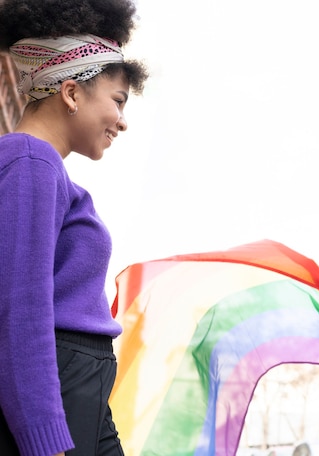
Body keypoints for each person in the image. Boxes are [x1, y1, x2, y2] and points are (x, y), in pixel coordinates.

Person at [0, 0, 148, 454]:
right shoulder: (30, 161)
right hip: (60, 384)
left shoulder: (42, 168)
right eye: (118, 101)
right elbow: (20, 313)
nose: (122, 121)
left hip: (82, 387)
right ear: (71, 92)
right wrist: (44, 439)